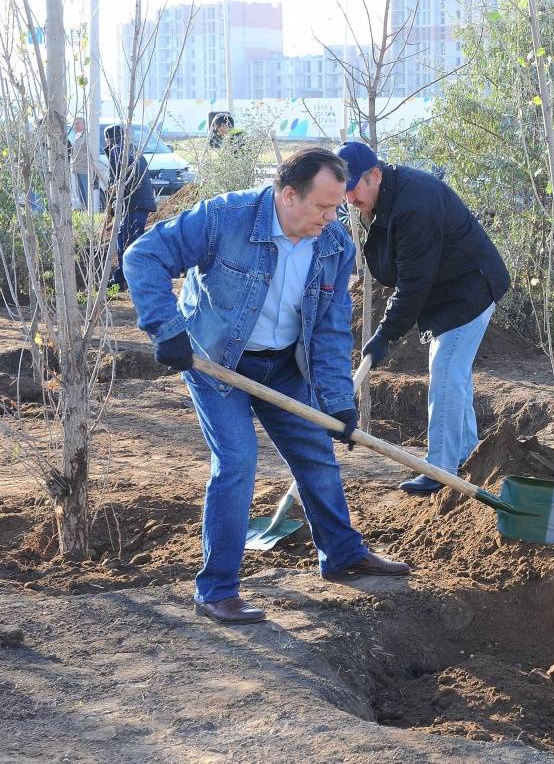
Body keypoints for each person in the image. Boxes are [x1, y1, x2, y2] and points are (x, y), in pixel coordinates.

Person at [122, 147, 409, 625]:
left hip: (284, 366)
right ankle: (217, 590)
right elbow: (143, 256)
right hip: (218, 364)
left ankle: (342, 555)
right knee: (237, 461)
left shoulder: (334, 245)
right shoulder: (225, 218)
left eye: (338, 205)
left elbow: (331, 328)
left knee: (316, 453)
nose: (331, 217)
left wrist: (338, 400)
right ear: (288, 195)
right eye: (322, 206)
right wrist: (166, 327)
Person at [334, 142, 511, 494]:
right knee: (452, 373)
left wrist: (386, 334)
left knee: (446, 371)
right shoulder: (387, 199)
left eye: (353, 188)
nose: (350, 199)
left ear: (376, 175)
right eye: (344, 191)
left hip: (471, 289)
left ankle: (441, 468)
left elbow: (414, 282)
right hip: (446, 294)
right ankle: (466, 454)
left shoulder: (415, 203)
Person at [103, 125, 157, 291]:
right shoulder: (133, 149)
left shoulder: (116, 151)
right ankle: (127, 277)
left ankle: (126, 280)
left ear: (109, 138)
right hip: (142, 202)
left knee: (125, 241)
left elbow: (117, 182)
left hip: (134, 202)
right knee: (132, 240)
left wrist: (110, 210)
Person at [69, 117, 91, 210]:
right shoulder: (76, 135)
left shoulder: (87, 136)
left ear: (84, 124)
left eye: (77, 124)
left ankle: (89, 211)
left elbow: (90, 152)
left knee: (86, 194)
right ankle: (84, 211)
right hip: (77, 169)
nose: (75, 126)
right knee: (80, 194)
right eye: (74, 124)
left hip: (85, 170)